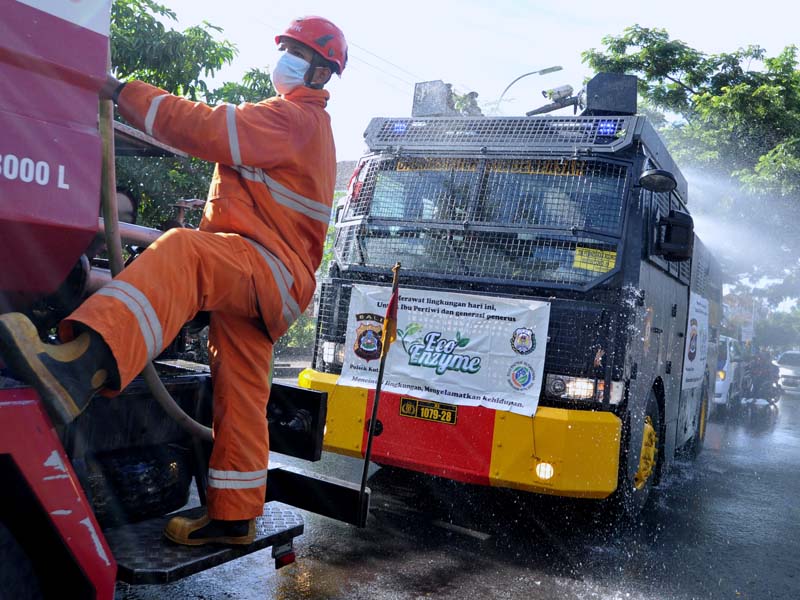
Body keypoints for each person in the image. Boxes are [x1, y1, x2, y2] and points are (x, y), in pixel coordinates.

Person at [0, 16, 347, 547]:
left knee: (185, 252)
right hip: (272, 276)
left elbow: (206, 129)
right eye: (286, 49)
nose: (286, 60)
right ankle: (233, 514)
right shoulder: (301, 125)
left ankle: (79, 368)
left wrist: (121, 91)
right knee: (242, 391)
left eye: (297, 52)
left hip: (264, 266)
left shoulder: (293, 118)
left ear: (322, 72)